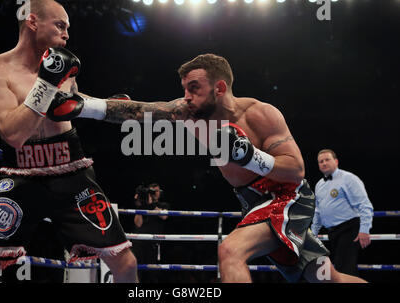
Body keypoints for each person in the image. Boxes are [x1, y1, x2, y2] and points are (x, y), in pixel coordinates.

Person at [47, 53, 369, 283]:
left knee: (230, 251)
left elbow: (296, 170)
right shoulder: (187, 113)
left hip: (288, 198)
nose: (185, 96)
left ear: (220, 87)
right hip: (253, 202)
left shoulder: (259, 114)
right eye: (185, 88)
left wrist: (250, 157)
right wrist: (81, 105)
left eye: (194, 88)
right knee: (325, 277)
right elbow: (138, 111)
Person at [0, 0, 137, 283]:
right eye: (60, 25)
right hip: (21, 175)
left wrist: (114, 108)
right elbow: (13, 134)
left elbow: (76, 104)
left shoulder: (64, 70)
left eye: (67, 28)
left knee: (125, 262)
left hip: (72, 171)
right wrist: (46, 84)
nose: (67, 34)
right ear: (33, 22)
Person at [311, 149, 374, 276]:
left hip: (349, 228)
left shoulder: (349, 178)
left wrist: (365, 229)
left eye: (327, 160)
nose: (324, 163)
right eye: (321, 161)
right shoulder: (319, 185)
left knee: (344, 269)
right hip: (333, 232)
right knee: (341, 269)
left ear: (336, 161)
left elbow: (364, 205)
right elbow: (318, 212)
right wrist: (313, 233)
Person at [132, 183, 169, 283]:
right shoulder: (143, 206)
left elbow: (164, 216)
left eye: (156, 191)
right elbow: (138, 224)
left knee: (152, 274)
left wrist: (151, 204)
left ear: (160, 193)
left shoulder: (163, 205)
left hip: (153, 243)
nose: (154, 193)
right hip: (139, 242)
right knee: (137, 271)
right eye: (152, 191)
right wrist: (140, 205)